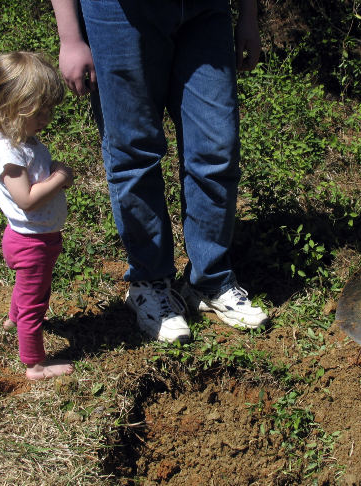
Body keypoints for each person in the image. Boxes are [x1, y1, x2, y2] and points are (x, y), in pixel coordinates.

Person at [50, 0, 268, 343]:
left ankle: (209, 281)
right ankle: (149, 283)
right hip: (117, 14)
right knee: (133, 151)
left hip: (206, 12)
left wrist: (249, 16)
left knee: (216, 149)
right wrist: (71, 37)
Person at [0, 52, 75, 380]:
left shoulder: (20, 139)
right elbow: (26, 199)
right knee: (35, 303)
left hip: (34, 237)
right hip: (32, 242)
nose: (47, 117)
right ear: (11, 108)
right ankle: (35, 364)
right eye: (40, 111)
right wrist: (60, 178)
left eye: (49, 109)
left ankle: (11, 320)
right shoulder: (8, 152)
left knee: (25, 289)